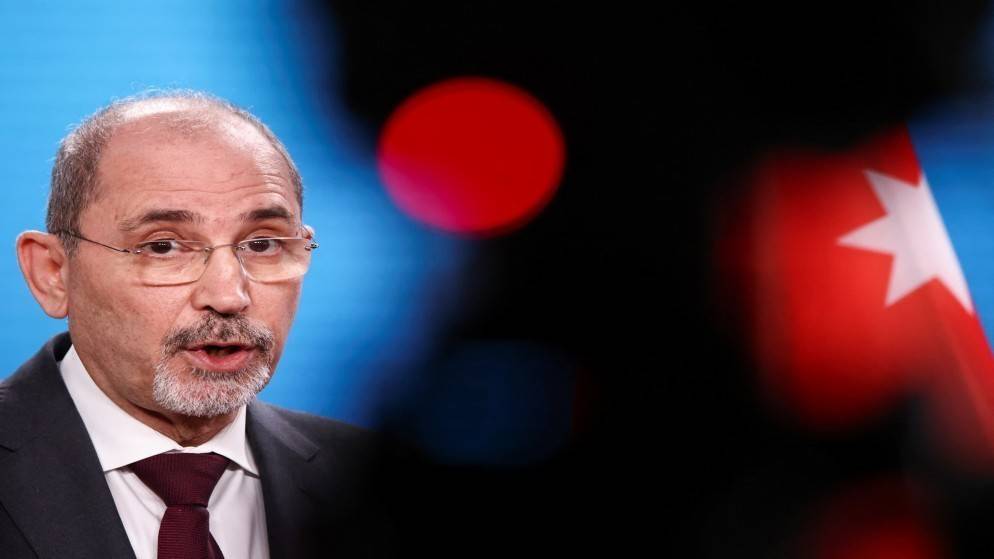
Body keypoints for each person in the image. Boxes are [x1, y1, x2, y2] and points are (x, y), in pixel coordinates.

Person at [0, 91, 390, 558]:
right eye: (163, 246)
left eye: (263, 244)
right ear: (53, 273)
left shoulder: (390, 489)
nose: (228, 296)